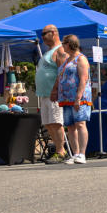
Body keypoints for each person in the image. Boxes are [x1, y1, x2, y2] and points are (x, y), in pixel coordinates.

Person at [54, 33, 92, 164]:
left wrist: (78, 97)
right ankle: (75, 153)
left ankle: (82, 154)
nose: (62, 46)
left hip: (79, 98)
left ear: (69, 44)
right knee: (70, 126)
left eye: (63, 43)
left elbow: (83, 79)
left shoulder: (81, 59)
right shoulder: (67, 60)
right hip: (66, 99)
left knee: (80, 123)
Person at [34, 25, 66, 163]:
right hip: (44, 94)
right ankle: (58, 149)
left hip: (54, 94)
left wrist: (55, 89)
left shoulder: (60, 50)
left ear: (53, 33)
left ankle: (61, 151)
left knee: (56, 122)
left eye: (44, 34)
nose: (42, 37)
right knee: (48, 123)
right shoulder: (48, 51)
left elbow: (63, 72)